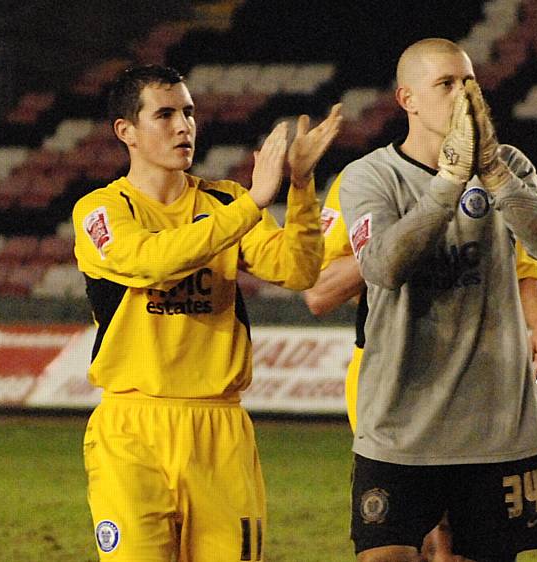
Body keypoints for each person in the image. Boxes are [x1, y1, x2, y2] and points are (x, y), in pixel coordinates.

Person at [72, 64, 341, 562]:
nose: (184, 126)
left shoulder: (223, 200)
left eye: (189, 113)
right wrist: (255, 203)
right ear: (125, 131)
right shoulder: (100, 210)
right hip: (132, 430)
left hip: (219, 429)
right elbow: (149, 263)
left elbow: (298, 271)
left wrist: (300, 187)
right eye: (166, 114)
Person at [337, 39, 537, 562]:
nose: (464, 94)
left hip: (495, 431)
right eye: (446, 84)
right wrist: (449, 181)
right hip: (400, 426)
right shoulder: (368, 177)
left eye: (469, 82)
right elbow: (382, 266)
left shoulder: (508, 165)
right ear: (408, 99)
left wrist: (491, 171)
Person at [303, 174, 537, 562]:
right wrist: (406, 240)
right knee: (400, 538)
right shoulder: (368, 178)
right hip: (391, 381)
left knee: (459, 538)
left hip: (479, 381)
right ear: (408, 107)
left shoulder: (494, 175)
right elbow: (319, 292)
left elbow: (527, 271)